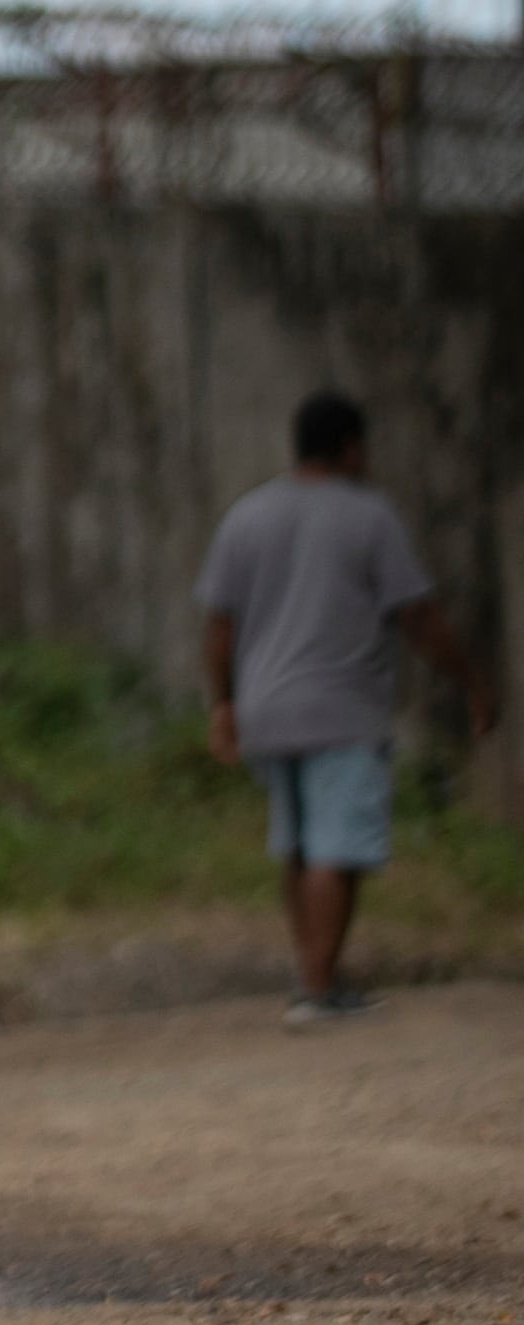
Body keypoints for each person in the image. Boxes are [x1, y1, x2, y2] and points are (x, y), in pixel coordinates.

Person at [195, 389, 490, 1025]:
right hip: (341, 708)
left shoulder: (246, 515)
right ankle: (318, 989)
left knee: (298, 847)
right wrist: (472, 680)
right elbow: (417, 614)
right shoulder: (369, 516)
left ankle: (314, 974)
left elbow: (219, 625)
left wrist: (223, 704)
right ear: (352, 448)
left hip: (266, 708)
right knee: (337, 850)